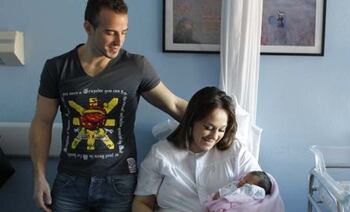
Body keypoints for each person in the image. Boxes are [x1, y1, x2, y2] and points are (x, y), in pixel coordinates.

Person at [29, 0, 187, 211]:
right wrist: (39, 177)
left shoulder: (136, 66)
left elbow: (175, 106)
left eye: (124, 32)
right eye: (110, 32)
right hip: (69, 182)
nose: (118, 41)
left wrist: (224, 122)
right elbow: (42, 121)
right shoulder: (57, 67)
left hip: (119, 183)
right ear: (88, 27)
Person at [132, 86, 261, 212]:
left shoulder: (236, 152)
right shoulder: (160, 154)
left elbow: (262, 191)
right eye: (208, 127)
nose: (214, 136)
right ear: (192, 120)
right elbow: (142, 203)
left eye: (221, 129)